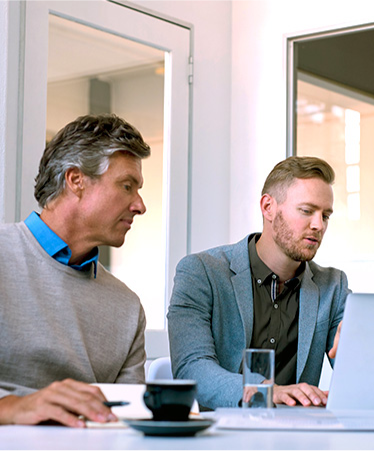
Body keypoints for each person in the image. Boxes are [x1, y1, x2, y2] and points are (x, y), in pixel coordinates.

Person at [0, 114, 151, 426]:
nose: (139, 205)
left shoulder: (127, 307)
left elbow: (125, 421)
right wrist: (13, 408)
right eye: (126, 186)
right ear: (76, 180)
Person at [168, 156, 349, 409]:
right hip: (220, 437)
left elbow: (360, 374)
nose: (318, 225)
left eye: (326, 215)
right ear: (268, 207)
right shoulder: (201, 273)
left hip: (299, 438)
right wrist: (264, 392)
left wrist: (360, 350)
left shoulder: (334, 286)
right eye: (307, 211)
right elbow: (192, 370)